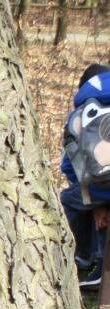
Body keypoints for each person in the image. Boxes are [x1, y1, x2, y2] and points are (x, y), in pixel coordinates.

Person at [60, 63, 110, 289]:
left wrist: (93, 198)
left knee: (72, 198)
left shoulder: (82, 113)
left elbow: (70, 166)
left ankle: (82, 257)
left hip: (101, 185)